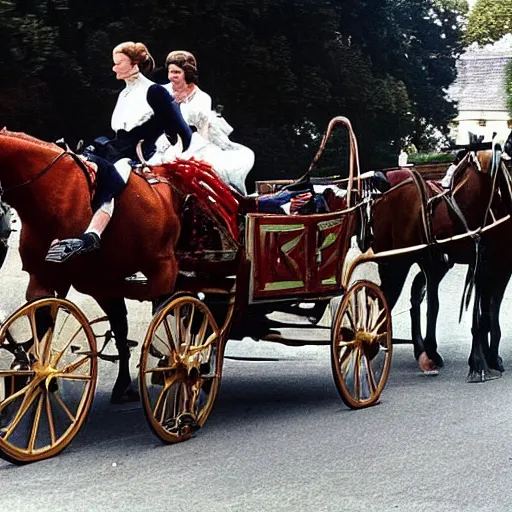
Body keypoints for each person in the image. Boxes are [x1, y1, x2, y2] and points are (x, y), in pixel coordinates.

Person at [46, 41, 194, 263]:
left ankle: (93, 234)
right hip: (115, 147)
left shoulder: (154, 91)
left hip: (139, 153)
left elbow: (183, 132)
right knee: (77, 166)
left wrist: (167, 156)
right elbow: (118, 132)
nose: (114, 68)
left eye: (118, 64)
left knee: (112, 173)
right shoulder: (124, 93)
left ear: (135, 64)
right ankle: (65, 231)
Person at [152, 50, 254, 195]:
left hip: (194, 143)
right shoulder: (162, 91)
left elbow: (203, 131)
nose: (172, 76)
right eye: (170, 72)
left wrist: (194, 153)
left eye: (177, 72)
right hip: (165, 141)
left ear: (187, 73)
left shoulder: (202, 98)